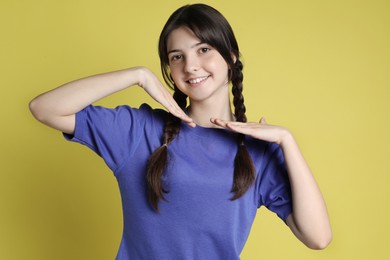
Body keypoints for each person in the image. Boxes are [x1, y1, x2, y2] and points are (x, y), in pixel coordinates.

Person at [29, 3, 332, 259]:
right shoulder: (139, 131)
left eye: (204, 49)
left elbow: (318, 237)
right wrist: (138, 75)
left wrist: (287, 141)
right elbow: (45, 108)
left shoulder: (258, 151)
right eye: (177, 56)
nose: (191, 66)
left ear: (231, 57)